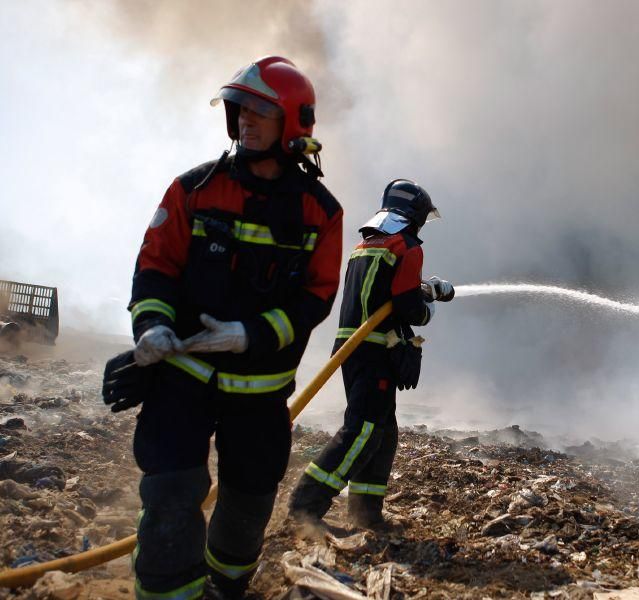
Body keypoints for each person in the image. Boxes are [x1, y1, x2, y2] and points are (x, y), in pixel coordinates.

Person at [109, 56, 342, 600]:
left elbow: (318, 296)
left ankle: (227, 588)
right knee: (170, 492)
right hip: (182, 382)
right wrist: (153, 327)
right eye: (240, 110)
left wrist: (251, 334)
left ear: (293, 124)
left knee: (249, 503)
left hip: (260, 398)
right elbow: (155, 268)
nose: (245, 122)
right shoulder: (193, 190)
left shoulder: (319, 213)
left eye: (261, 112)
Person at [289, 179, 454, 530]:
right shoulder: (407, 246)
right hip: (376, 350)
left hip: (356, 349)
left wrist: (425, 289)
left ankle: (366, 514)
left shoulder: (367, 244)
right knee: (363, 430)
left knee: (383, 431)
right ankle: (306, 506)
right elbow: (408, 307)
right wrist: (429, 308)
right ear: (414, 215)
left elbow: (383, 294)